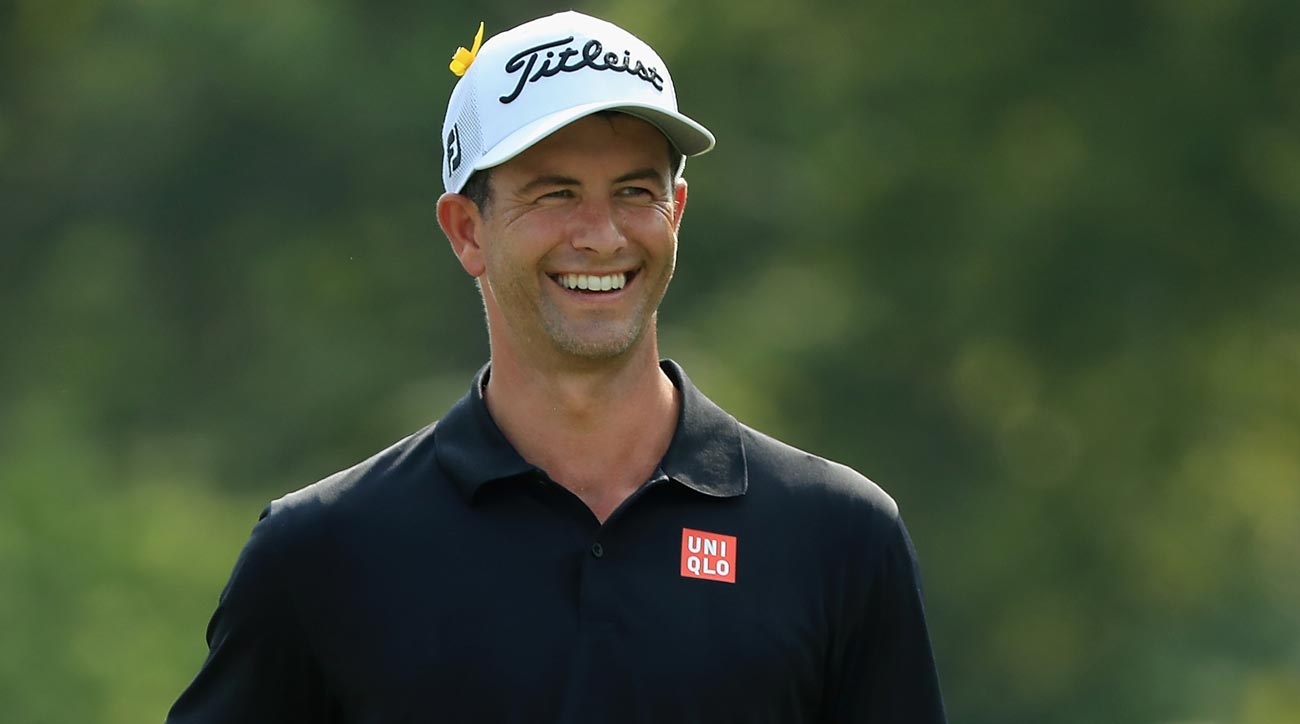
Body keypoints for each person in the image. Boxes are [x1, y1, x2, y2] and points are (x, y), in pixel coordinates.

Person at [167, 11, 947, 723]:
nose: (602, 235)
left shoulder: (839, 538)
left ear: (675, 211)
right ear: (466, 230)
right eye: (556, 193)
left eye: (635, 191)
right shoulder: (322, 555)